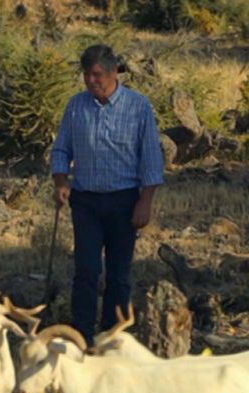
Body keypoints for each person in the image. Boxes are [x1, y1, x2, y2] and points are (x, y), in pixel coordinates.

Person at [51, 44, 164, 346]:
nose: (91, 81)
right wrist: (61, 180)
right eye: (86, 75)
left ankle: (113, 338)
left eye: (97, 74)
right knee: (86, 270)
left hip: (123, 201)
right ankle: (82, 337)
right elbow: (62, 148)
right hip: (85, 201)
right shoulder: (76, 106)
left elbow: (151, 158)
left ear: (114, 72)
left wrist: (146, 200)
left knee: (119, 274)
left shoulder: (139, 107)